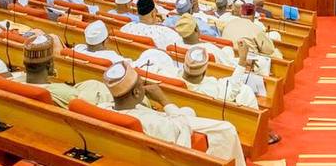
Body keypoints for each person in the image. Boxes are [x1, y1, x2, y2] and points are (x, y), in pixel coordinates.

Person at [102, 61, 245, 165]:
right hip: (164, 145)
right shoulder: (155, 124)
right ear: (136, 92)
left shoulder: (104, 107)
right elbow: (182, 128)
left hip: (153, 130)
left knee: (188, 110)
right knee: (227, 128)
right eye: (141, 83)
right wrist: (163, 99)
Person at [19, 33, 113, 108]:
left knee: (92, 83)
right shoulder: (65, 93)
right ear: (50, 65)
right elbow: (82, 106)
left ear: (24, 64)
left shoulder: (17, 80)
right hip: (83, 104)